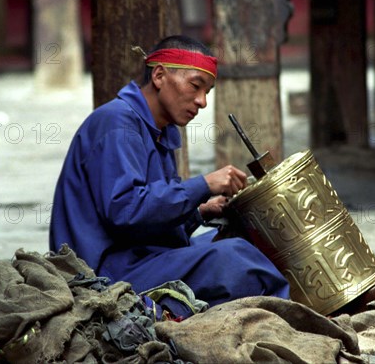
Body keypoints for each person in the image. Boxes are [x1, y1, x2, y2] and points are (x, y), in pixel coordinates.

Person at [49, 35, 290, 307]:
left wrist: (198, 213)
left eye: (207, 92)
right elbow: (125, 211)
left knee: (246, 239)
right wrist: (204, 185)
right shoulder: (117, 123)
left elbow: (150, 220)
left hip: (142, 258)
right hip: (107, 272)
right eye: (195, 86)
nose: (202, 102)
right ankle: (292, 316)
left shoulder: (159, 132)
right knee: (236, 258)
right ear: (160, 76)